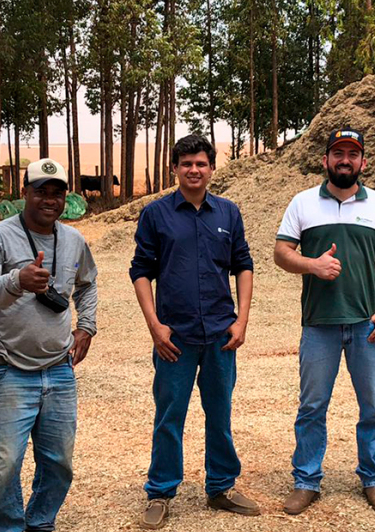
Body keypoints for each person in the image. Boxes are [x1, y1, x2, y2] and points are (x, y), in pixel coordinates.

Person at [130, 135, 259, 530]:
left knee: (219, 413)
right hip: (175, 338)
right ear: (174, 168)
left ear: (211, 169)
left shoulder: (228, 213)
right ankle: (160, 491)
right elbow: (140, 271)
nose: (194, 170)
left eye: (201, 163)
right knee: (170, 414)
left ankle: (220, 487)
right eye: (186, 163)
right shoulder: (156, 215)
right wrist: (155, 326)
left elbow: (244, 265)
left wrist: (242, 320)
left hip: (221, 334)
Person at [0, 158, 98, 532]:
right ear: (25, 192)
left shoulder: (73, 240)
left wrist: (86, 327)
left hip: (59, 371)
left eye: (57, 192)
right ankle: (8, 527)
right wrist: (17, 280)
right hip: (10, 372)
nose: (49, 200)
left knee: (59, 463)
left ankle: (40, 523)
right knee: (4, 467)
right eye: (41, 191)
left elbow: (87, 285)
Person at [274, 128, 375, 514]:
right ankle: (307, 480)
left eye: (353, 154)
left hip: (366, 323)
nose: (345, 160)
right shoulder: (303, 203)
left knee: (374, 406)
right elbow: (281, 252)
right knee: (312, 405)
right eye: (338, 153)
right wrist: (311, 264)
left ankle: (374, 478)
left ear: (363, 162)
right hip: (319, 323)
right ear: (325, 160)